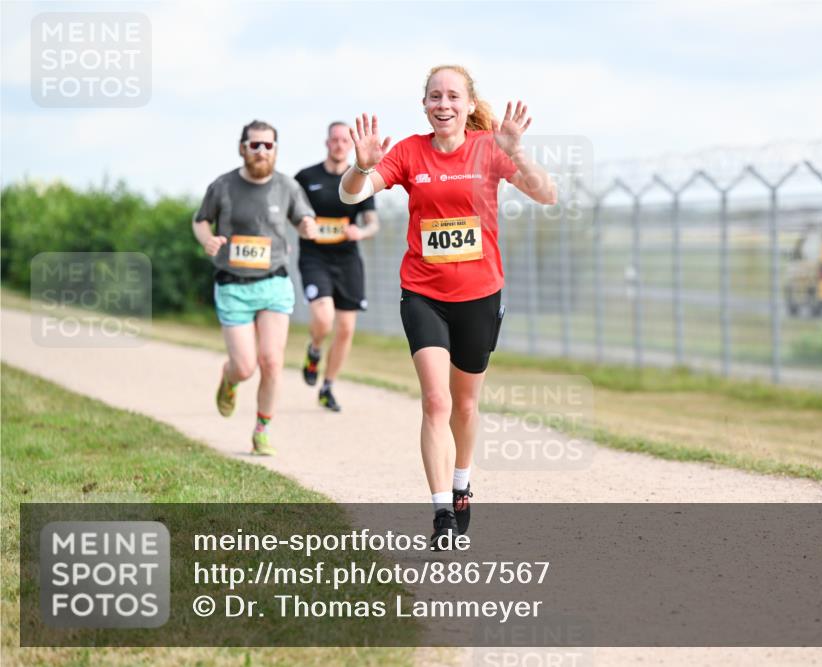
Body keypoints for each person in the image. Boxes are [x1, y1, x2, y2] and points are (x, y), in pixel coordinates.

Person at [340, 65, 556, 549]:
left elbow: (547, 193)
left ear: (467, 103)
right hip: (422, 292)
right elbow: (351, 194)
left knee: (465, 403)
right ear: (424, 104)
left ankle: (462, 482)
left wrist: (516, 150)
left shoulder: (488, 148)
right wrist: (360, 165)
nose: (444, 104)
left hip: (480, 295)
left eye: (453, 96)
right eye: (435, 96)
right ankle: (441, 511)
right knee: (436, 400)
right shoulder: (409, 152)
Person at [192, 119, 318, 456]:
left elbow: (305, 222)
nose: (261, 151)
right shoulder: (223, 185)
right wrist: (208, 239)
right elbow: (200, 219)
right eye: (255, 144)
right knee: (245, 365)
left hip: (274, 283)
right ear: (242, 147)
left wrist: (308, 227)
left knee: (272, 361)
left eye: (268, 145)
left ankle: (262, 430)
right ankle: (229, 378)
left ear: (276, 150)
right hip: (233, 284)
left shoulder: (287, 187)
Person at [295, 121, 380, 412]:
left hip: (347, 258)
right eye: (335, 140)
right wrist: (304, 226)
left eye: (345, 140)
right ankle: (315, 349)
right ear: (327, 142)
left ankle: (327, 386)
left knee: (345, 328)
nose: (340, 144)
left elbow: (372, 223)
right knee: (323, 318)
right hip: (314, 256)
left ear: (351, 145)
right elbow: (293, 214)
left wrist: (361, 232)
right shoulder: (306, 177)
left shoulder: (359, 179)